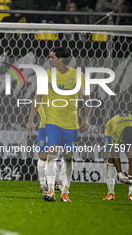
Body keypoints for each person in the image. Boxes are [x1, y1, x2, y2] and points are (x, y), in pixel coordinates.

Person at [28, 47, 90, 202]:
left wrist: (86, 118)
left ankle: (65, 192)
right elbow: (38, 97)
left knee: (68, 158)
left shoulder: (78, 76)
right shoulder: (47, 75)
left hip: (71, 123)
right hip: (52, 123)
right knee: (51, 155)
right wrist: (31, 119)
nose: (50, 59)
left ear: (61, 59)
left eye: (53, 57)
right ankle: (50, 191)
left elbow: (86, 97)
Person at [103, 114, 132, 201]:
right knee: (110, 157)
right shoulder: (117, 131)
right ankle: (110, 193)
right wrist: (121, 175)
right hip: (111, 128)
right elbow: (116, 154)